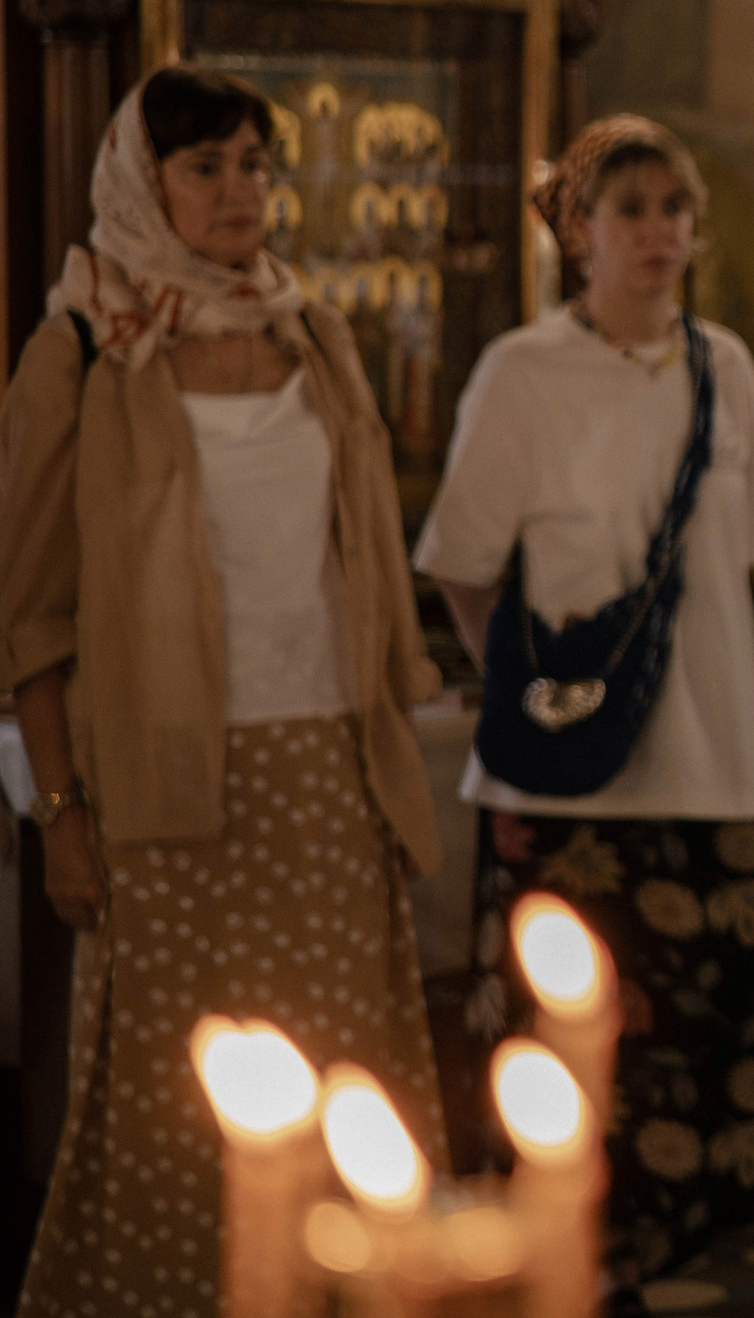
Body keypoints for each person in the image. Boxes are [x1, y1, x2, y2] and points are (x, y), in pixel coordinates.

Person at [1, 67, 445, 1318]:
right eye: (207, 166)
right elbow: (28, 614)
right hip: (163, 787)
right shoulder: (83, 345)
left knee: (348, 1087)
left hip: (323, 777)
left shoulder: (315, 329)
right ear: (144, 185)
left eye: (257, 163)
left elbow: (362, 560)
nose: (242, 189)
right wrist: (63, 814)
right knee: (178, 1105)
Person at [417, 116, 754, 1308]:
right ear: (575, 227)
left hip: (709, 756)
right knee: (561, 1037)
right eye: (630, 208)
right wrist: (536, 699)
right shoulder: (523, 371)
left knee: (721, 1043)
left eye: (675, 209)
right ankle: (570, 1261)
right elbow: (463, 561)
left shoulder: (722, 362)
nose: (658, 232)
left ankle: (718, 1259)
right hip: (562, 780)